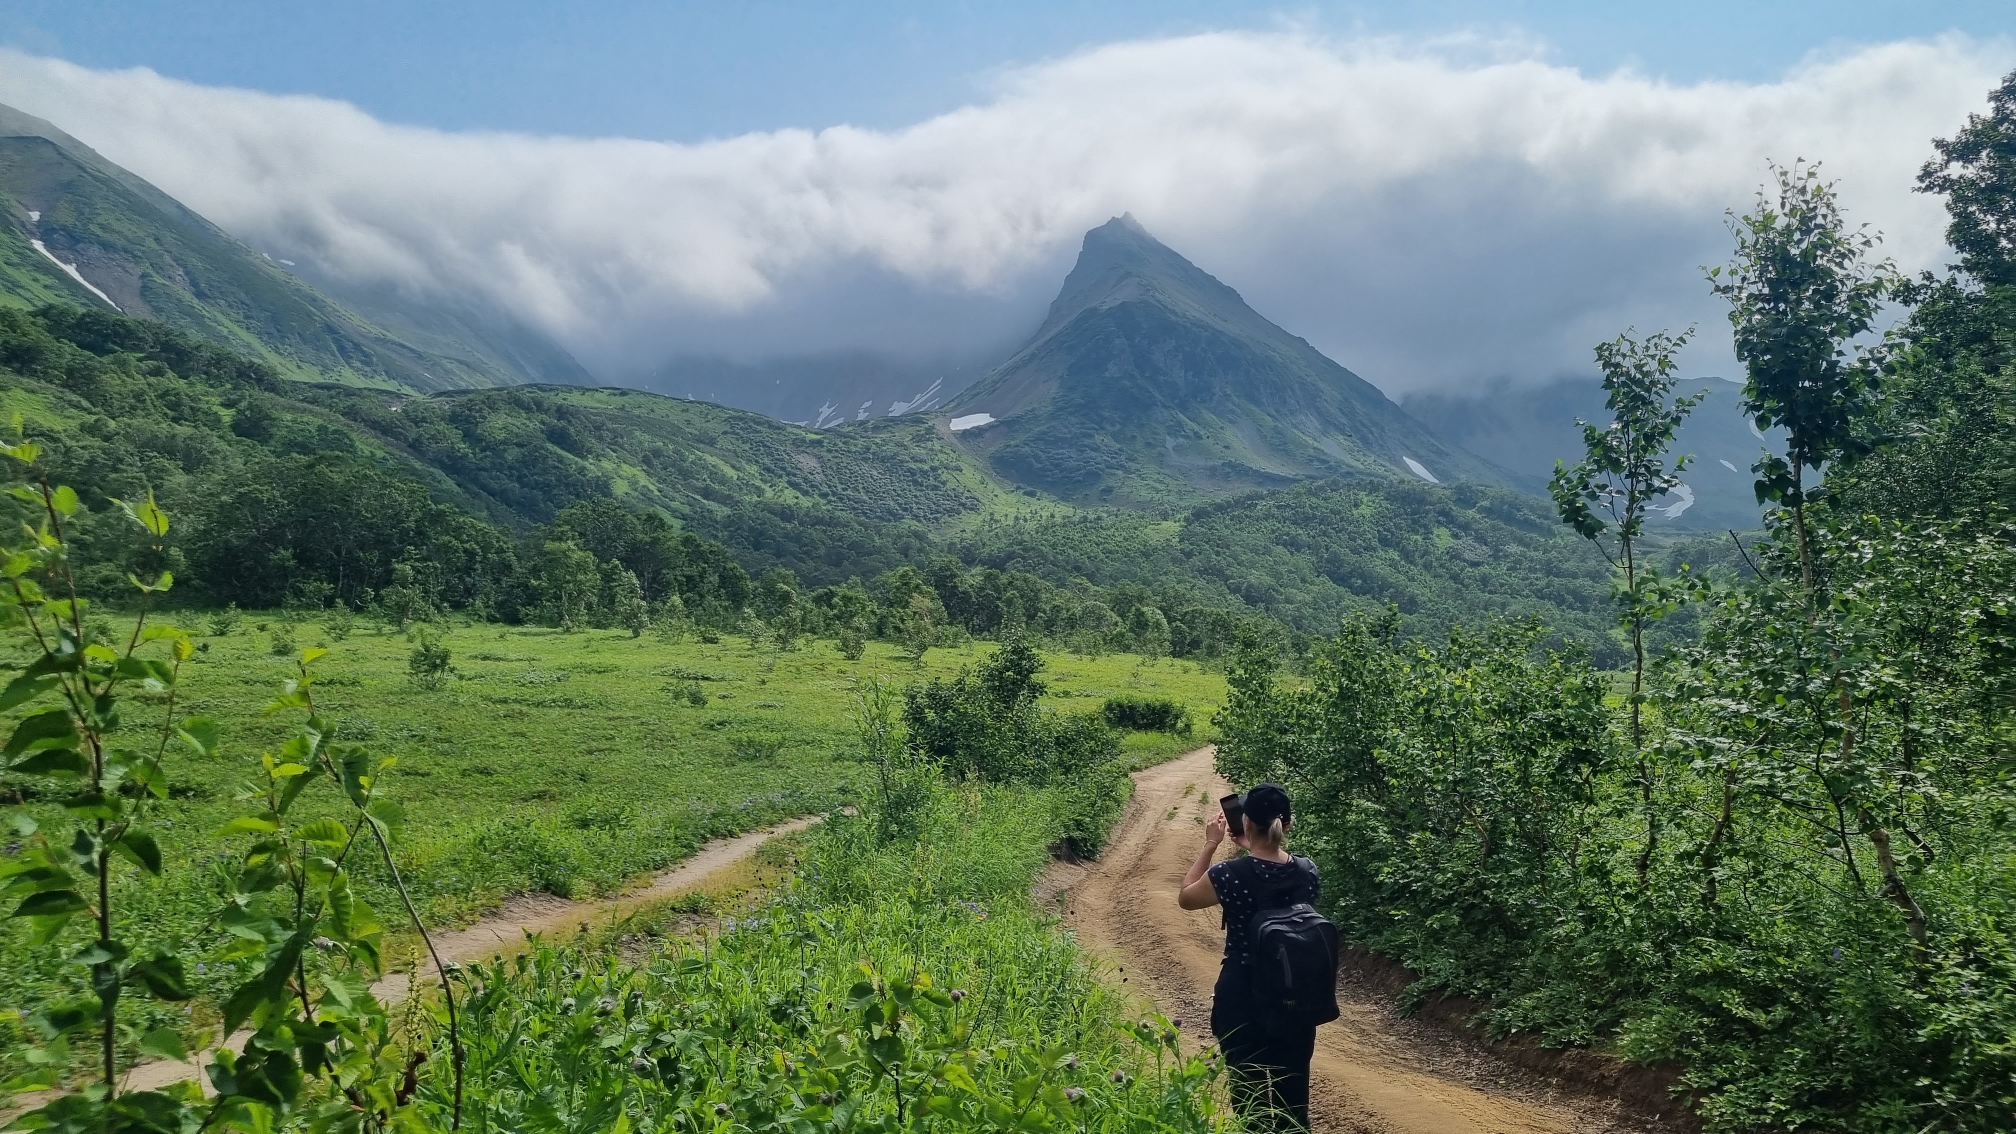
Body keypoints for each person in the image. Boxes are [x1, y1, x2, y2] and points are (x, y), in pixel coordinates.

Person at [1177, 782, 1318, 1132]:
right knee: (1293, 1102)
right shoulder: (1307, 871)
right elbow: (1276, 877)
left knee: (1250, 1098)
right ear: (1287, 825)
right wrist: (1255, 846)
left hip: (1242, 993)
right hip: (1294, 996)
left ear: (1246, 822)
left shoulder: (1229, 874)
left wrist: (1211, 844)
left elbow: (1187, 897)